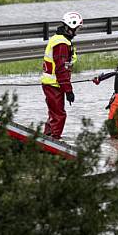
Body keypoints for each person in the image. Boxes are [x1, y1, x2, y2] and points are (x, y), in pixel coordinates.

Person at [40, 11, 81, 139]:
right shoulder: (62, 43)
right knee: (59, 115)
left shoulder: (59, 39)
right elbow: (62, 69)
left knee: (54, 113)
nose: (78, 31)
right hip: (54, 84)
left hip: (52, 83)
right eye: (77, 28)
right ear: (71, 27)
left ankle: (47, 136)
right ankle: (54, 141)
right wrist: (68, 90)